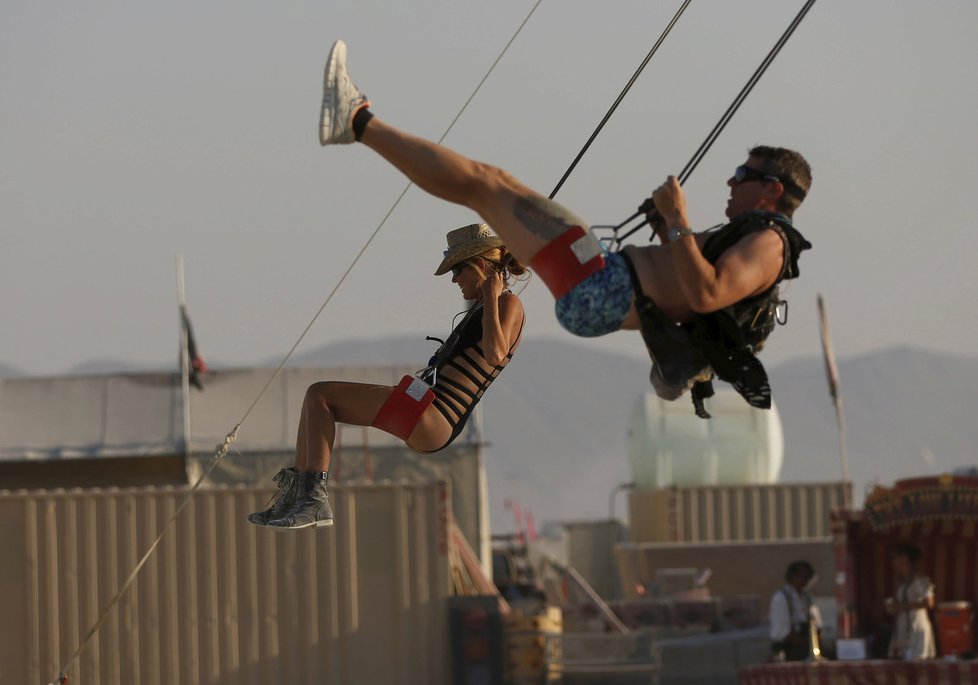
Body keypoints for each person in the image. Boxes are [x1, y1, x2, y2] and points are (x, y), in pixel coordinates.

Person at [317, 40, 812, 415]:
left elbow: (707, 294)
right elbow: (687, 284)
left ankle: (357, 121)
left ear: (772, 191)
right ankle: (358, 123)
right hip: (602, 288)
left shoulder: (768, 243)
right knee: (489, 186)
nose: (731, 180)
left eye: (744, 175)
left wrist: (680, 219)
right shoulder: (753, 238)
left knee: (485, 185)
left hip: (600, 284)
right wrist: (667, 229)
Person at [248, 223, 526, 529]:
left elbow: (495, 354)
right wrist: (486, 299)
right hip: (426, 408)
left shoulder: (508, 304)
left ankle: (312, 502)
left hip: (434, 416)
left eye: (458, 269)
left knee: (320, 395)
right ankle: (297, 496)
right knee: (314, 400)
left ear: (482, 266)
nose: (454, 279)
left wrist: (491, 293)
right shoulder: (485, 307)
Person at [885, 544, 936, 660]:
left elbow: (929, 603)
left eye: (901, 559)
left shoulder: (920, 581)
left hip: (916, 626)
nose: (896, 562)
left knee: (917, 661)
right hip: (902, 627)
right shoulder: (903, 584)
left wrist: (902, 607)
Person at [769, 560, 822, 662]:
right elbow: (782, 632)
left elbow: (816, 623)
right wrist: (805, 643)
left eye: (807, 577)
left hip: (806, 648)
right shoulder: (781, 598)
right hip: (787, 650)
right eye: (801, 576)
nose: (805, 580)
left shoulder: (807, 598)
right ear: (792, 577)